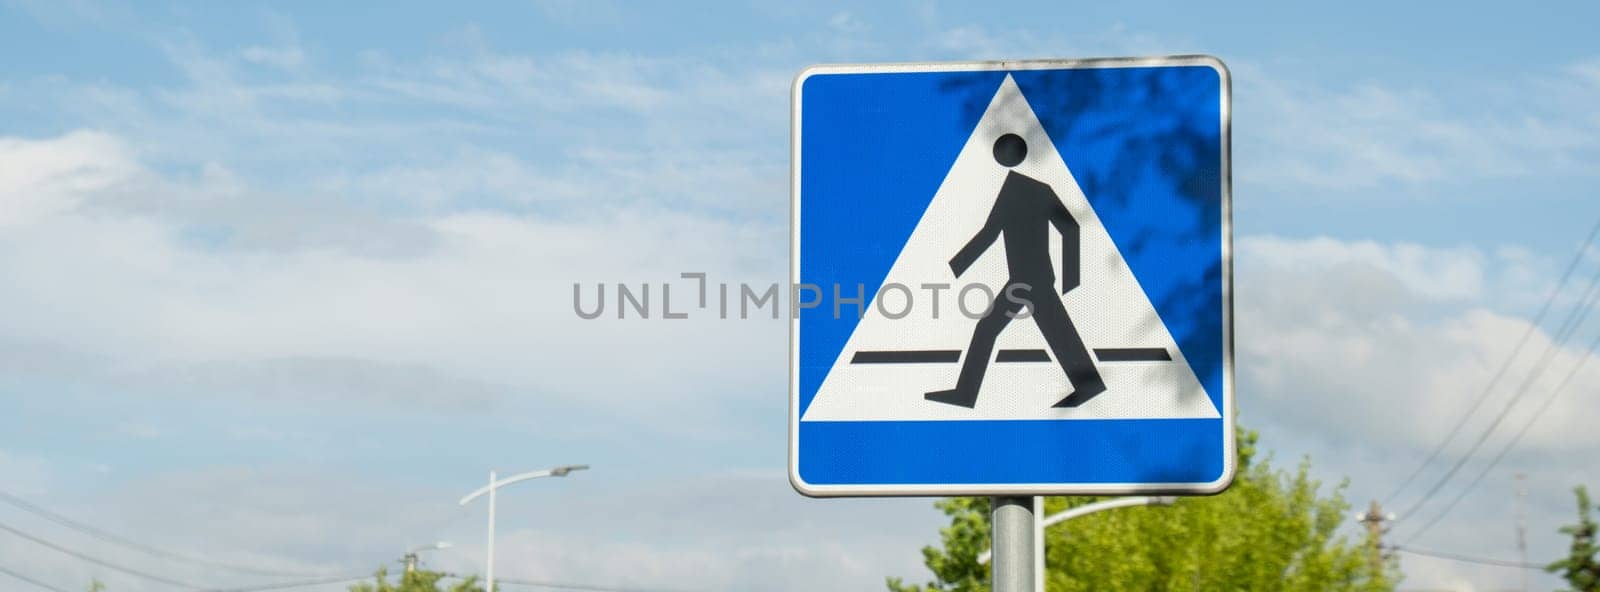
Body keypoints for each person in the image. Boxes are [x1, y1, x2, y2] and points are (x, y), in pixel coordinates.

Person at [925, 133, 1106, 408]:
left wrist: (954, 268)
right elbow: (1066, 229)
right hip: (1027, 277)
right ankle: (966, 393)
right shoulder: (1031, 189)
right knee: (1046, 331)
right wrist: (953, 267)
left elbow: (992, 234)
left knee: (998, 329)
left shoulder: (1017, 190)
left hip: (1031, 278)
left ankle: (966, 393)